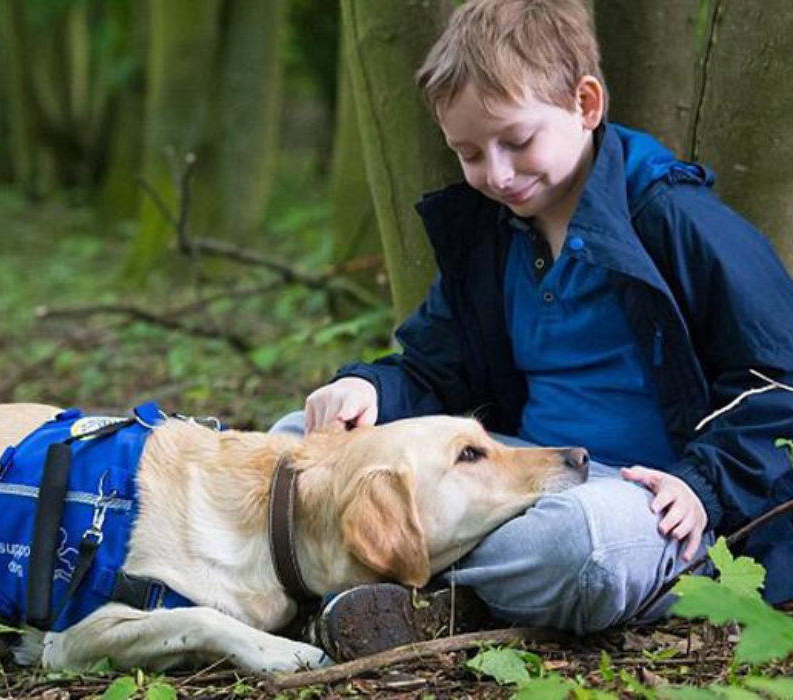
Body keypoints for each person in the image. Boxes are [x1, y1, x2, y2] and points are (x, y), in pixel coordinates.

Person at [272, 0, 793, 659]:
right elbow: (437, 369)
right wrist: (371, 390)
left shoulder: (671, 217)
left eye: (517, 142)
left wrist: (704, 484)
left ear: (585, 104)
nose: (496, 174)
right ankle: (401, 582)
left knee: (575, 546)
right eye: (469, 154)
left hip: (650, 501)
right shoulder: (493, 236)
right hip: (515, 472)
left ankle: (399, 585)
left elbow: (779, 380)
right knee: (301, 439)